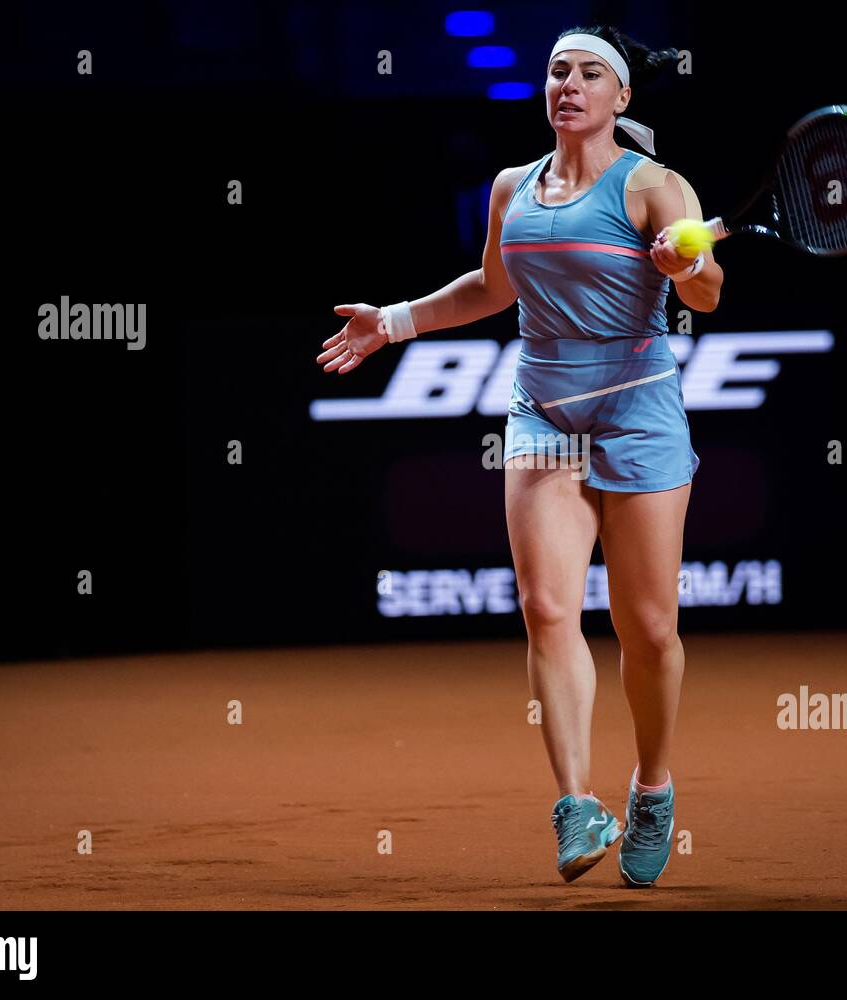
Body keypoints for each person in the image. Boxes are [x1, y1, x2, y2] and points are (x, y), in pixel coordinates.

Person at [317, 24, 723, 885]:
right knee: (547, 609)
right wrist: (392, 322)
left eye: (587, 74)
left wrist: (681, 267)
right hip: (541, 416)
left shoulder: (657, 186)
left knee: (647, 629)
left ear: (621, 97)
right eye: (555, 72)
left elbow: (710, 291)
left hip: (640, 414)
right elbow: (492, 289)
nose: (566, 85)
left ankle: (653, 787)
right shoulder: (514, 188)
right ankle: (575, 805)